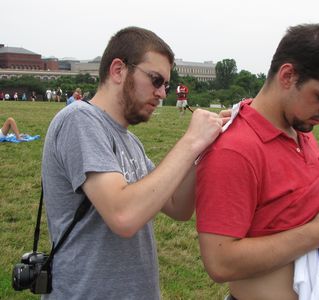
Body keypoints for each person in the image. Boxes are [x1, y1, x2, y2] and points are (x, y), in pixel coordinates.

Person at [195, 23, 319, 300]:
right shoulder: (235, 149)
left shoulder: (301, 131)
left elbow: (293, 208)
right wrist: (316, 234)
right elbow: (220, 262)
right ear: (288, 75)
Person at [41, 26, 228, 299]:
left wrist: (205, 148)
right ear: (118, 70)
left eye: (165, 84)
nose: (163, 93)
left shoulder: (131, 142)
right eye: (155, 80)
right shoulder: (78, 119)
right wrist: (190, 142)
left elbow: (178, 207)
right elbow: (123, 215)